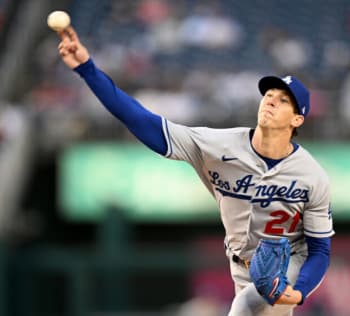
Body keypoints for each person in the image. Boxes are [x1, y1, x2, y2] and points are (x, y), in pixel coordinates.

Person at [56, 26, 334, 316]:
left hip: (286, 265)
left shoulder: (311, 175)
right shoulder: (217, 145)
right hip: (240, 264)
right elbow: (144, 121)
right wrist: (87, 69)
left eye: (284, 100)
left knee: (245, 305)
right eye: (270, 94)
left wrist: (300, 290)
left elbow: (319, 251)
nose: (272, 101)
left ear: (298, 119)